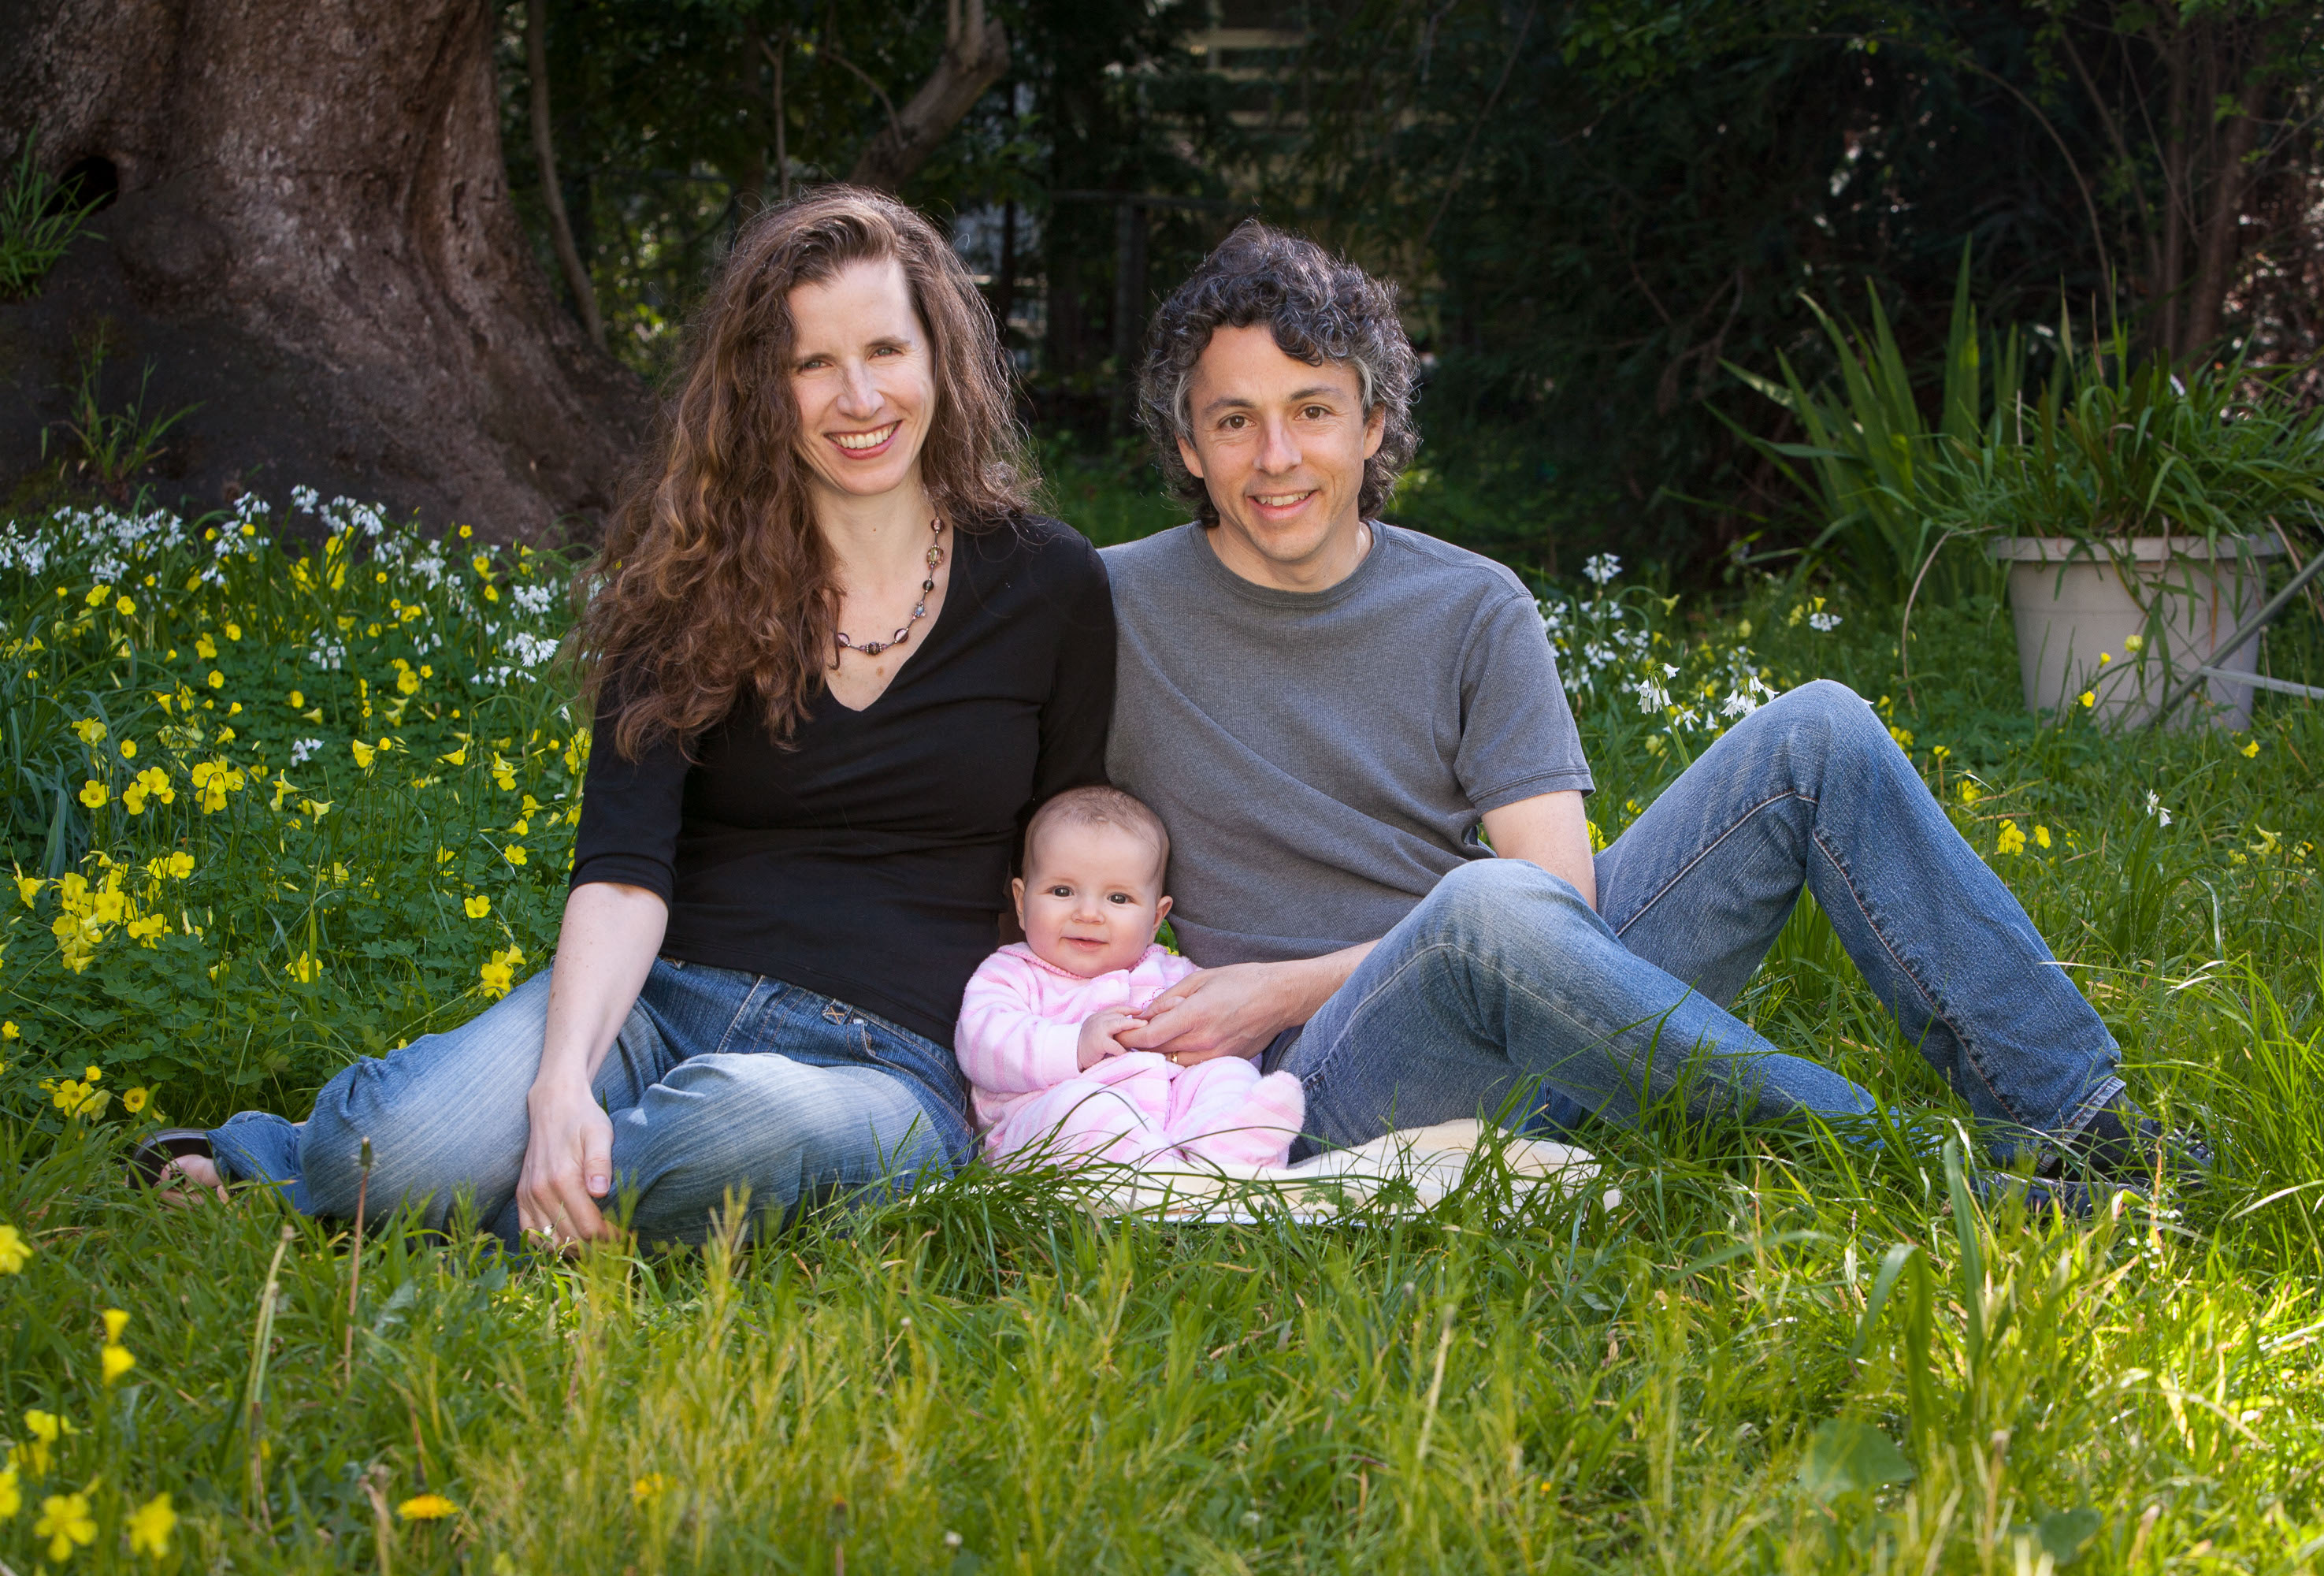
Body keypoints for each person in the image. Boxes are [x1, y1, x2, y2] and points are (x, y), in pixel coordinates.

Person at [1099, 221, 2199, 1202]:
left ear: (1374, 424)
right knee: (1487, 908)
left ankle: (2084, 1124)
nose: (1277, 457)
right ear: (1188, 444)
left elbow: (1559, 899)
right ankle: (1917, 1168)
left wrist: (1274, 985)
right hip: (1322, 1084)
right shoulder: (1110, 607)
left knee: (1814, 731)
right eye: (1234, 421)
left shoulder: (1473, 605)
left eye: (1312, 411)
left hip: (1546, 1008)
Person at [134, 188, 1115, 1246]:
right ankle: (368, 1168)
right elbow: (622, 866)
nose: (859, 397)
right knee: (394, 1147)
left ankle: (420, 1203)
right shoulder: (689, 582)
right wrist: (561, 1085)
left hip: (888, 1063)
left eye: (886, 349)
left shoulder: (1048, 583)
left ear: (939, 358)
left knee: (740, 1128)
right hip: (658, 1004)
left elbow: (1067, 857)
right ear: (760, 389)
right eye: (812, 364)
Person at [955, 786, 1304, 1172]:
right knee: (1083, 1110)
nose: (1088, 913)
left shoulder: (1174, 974)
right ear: (1022, 903)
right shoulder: (1012, 973)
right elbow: (981, 1044)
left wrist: (1195, 1034)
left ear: (1155, 919)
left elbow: (1229, 1033)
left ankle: (1230, 1150)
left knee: (1228, 1073)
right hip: (1044, 1123)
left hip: (1169, 1116)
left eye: (1118, 899)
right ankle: (1164, 1174)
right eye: (1062, 891)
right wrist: (1075, 1045)